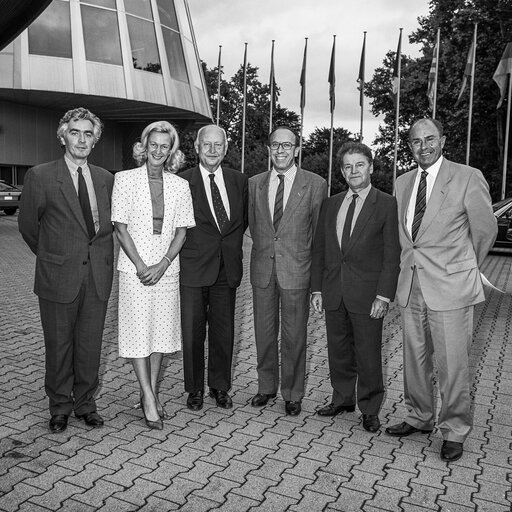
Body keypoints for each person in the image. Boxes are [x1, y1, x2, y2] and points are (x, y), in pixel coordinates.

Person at [386, 118, 497, 462]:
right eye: (416, 141)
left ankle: (454, 429)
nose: (424, 146)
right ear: (410, 146)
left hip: (451, 287)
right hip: (411, 285)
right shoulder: (402, 182)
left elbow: (484, 230)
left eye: (430, 139)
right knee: (414, 360)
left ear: (443, 140)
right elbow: (406, 237)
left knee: (453, 365)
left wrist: (463, 268)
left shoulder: (466, 176)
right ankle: (419, 416)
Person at [18, 107, 114, 433]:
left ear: (95, 139)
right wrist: (53, 257)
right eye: (75, 132)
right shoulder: (41, 176)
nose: (82, 139)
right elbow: (29, 228)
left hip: (97, 277)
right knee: (59, 346)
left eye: (88, 133)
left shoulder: (105, 179)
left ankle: (85, 403)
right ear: (63, 136)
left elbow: (109, 227)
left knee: (89, 345)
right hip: (58, 276)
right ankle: (59, 405)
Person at [311, 142, 400, 432]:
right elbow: (320, 250)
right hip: (334, 291)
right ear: (341, 171)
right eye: (348, 166)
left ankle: (370, 408)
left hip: (368, 295)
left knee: (368, 354)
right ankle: (343, 398)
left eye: (359, 164)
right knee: (338, 350)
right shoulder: (331, 202)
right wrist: (317, 289)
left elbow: (391, 255)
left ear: (371, 167)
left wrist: (383, 296)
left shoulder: (386, 203)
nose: (354, 171)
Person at [111, 121, 195, 430]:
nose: (158, 151)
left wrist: (162, 263)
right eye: (154, 144)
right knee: (137, 334)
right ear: (144, 146)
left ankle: (152, 392)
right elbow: (120, 228)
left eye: (165, 146)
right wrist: (142, 265)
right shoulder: (125, 179)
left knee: (160, 335)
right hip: (135, 269)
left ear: (171, 150)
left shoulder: (179, 185)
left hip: (167, 269)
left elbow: (182, 230)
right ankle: (148, 397)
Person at [249, 126, 327, 416]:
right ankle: (266, 387)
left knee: (294, 337)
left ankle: (292, 393)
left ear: (297, 149)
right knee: (264, 334)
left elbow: (318, 234)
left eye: (287, 145)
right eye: (275, 145)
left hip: (297, 271)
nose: (280, 150)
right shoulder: (254, 183)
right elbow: (253, 226)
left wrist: (317, 281)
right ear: (269, 149)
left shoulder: (315, 184)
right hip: (262, 271)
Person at [179, 124, 248, 411]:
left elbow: (241, 221)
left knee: (223, 331)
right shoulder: (181, 182)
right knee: (193, 332)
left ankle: (219, 387)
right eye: (206, 144)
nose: (212, 150)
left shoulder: (239, 181)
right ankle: (194, 389)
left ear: (226, 148)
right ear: (196, 147)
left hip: (226, 269)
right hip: (193, 268)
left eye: (217, 145)